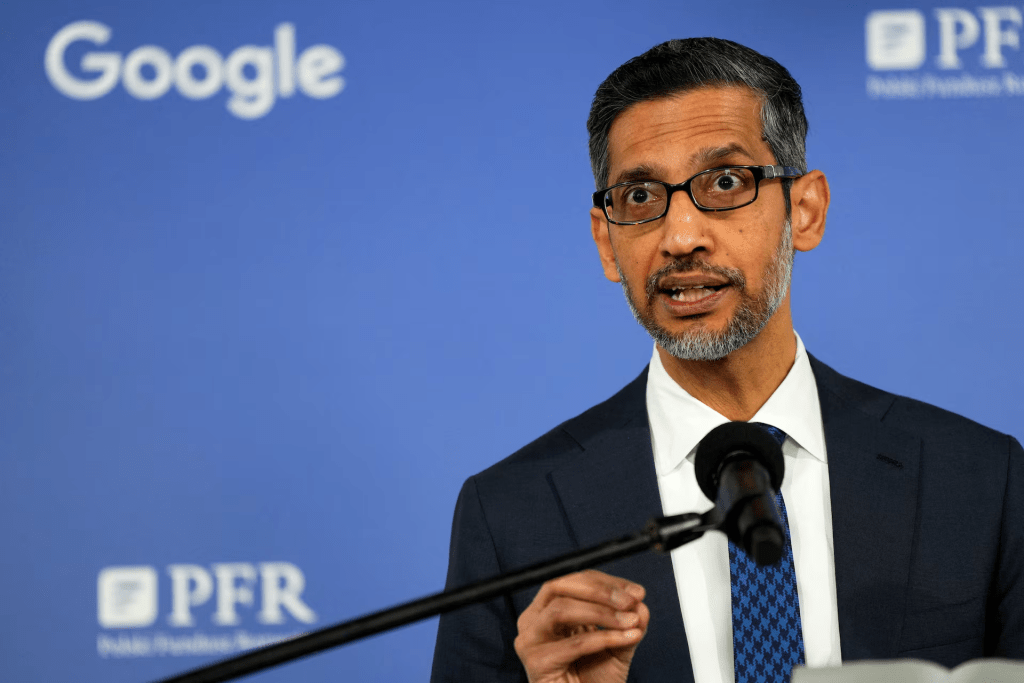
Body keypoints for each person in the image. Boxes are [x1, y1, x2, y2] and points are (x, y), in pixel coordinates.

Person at [429, 38, 1024, 683]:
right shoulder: (513, 512)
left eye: (725, 182)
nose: (681, 237)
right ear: (606, 242)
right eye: (639, 196)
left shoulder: (980, 480)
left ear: (805, 210)